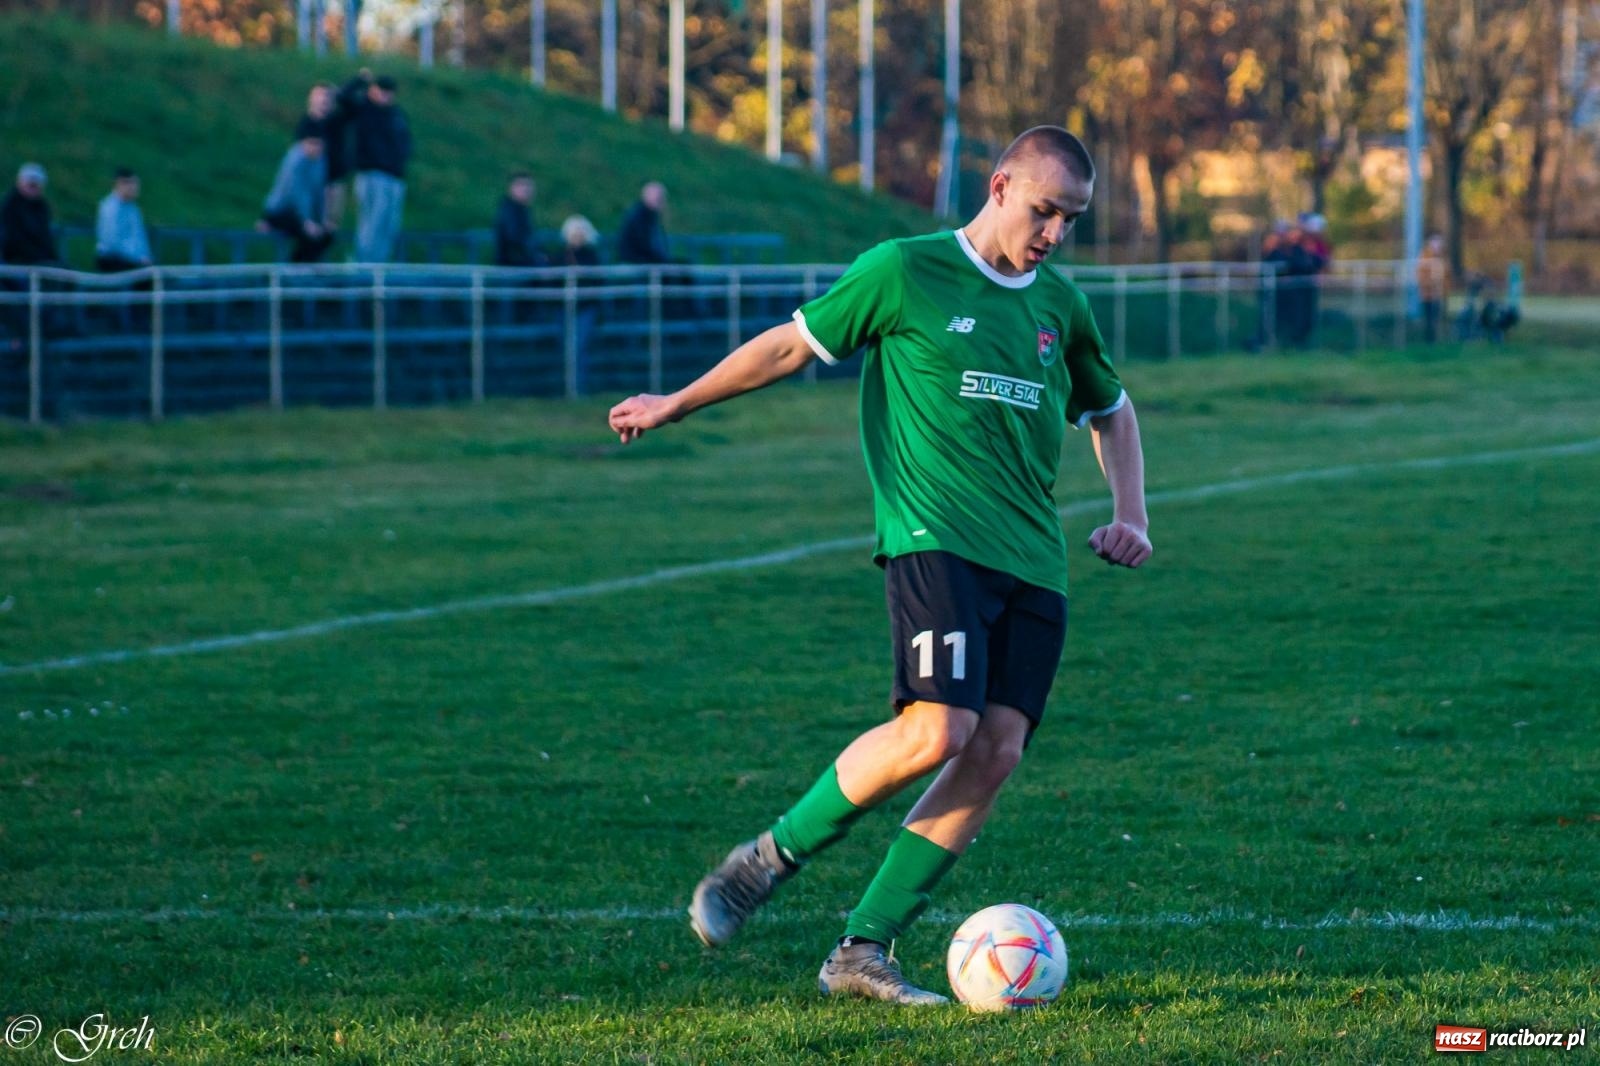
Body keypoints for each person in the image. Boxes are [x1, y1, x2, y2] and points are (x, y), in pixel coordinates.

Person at [607, 126, 1151, 1005]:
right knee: (939, 730)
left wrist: (1132, 513)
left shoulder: (1061, 307)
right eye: (1045, 210)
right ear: (1002, 185)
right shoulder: (905, 270)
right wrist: (678, 402)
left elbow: (1113, 410)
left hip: (1034, 561)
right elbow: (790, 345)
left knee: (997, 751)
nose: (1054, 233)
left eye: (1072, 219)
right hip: (936, 539)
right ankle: (763, 862)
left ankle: (862, 950)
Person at [338, 71, 411, 262]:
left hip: (394, 177)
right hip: (371, 175)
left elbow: (404, 142)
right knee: (370, 226)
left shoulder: (396, 114)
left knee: (389, 227)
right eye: (382, 90)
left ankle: (379, 271)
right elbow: (342, 96)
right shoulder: (363, 108)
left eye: (389, 91)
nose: (386, 95)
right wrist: (360, 80)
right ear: (373, 90)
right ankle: (362, 268)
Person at [258, 124, 334, 263]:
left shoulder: (320, 161)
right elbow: (295, 195)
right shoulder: (295, 160)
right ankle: (294, 270)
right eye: (314, 144)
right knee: (308, 235)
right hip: (282, 211)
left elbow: (319, 194)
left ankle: (299, 267)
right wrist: (306, 222)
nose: (317, 148)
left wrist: (323, 220)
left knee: (326, 235)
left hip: (303, 214)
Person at [302, 83, 351, 229]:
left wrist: (342, 93)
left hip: (334, 180)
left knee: (331, 225)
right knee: (312, 223)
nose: (323, 100)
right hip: (313, 181)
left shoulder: (336, 121)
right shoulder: (307, 123)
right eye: (319, 96)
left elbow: (353, 108)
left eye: (327, 96)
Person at [0, 163, 63, 267]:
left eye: (36, 185)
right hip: (17, 261)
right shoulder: (10, 206)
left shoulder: (42, 207)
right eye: (30, 184)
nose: (33, 188)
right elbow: (12, 239)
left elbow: (45, 237)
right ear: (19, 182)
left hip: (38, 260)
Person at [94, 167, 153, 273]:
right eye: (131, 183)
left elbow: (139, 238)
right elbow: (112, 242)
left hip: (133, 260)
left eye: (136, 183)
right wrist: (138, 258)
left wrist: (144, 256)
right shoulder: (110, 208)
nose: (135, 187)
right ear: (119, 184)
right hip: (112, 259)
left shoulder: (133, 209)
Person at [494, 173, 547, 267]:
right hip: (512, 265)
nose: (527, 190)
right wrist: (537, 255)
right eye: (522, 186)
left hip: (520, 262)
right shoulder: (509, 210)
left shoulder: (521, 209)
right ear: (512, 188)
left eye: (529, 186)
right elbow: (515, 239)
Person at [615, 181, 672, 265]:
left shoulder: (644, 215)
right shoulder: (641, 218)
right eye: (660, 199)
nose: (663, 204)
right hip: (637, 262)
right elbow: (647, 246)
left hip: (641, 261)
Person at [1416, 234, 1448, 343]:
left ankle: (1438, 341)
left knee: (1437, 319)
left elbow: (1446, 275)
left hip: (1439, 295)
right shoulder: (1425, 258)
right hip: (1428, 296)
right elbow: (1421, 277)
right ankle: (1429, 342)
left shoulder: (1441, 258)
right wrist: (1432, 285)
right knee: (1429, 320)